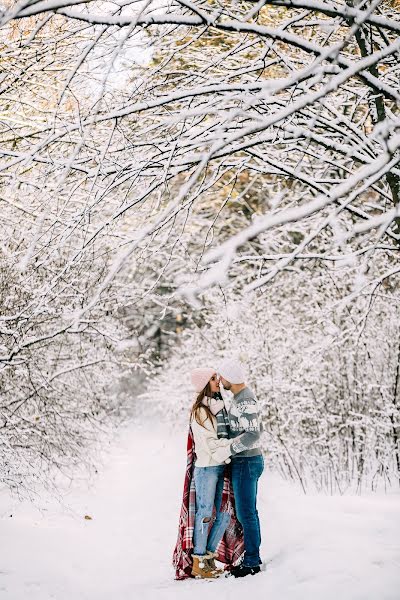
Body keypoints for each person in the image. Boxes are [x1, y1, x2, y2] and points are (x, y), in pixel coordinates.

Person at [209, 358, 264, 578]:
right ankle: (251, 557)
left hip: (247, 462)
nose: (221, 381)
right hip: (244, 462)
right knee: (246, 513)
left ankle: (252, 561)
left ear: (230, 377)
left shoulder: (245, 400)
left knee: (246, 514)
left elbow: (254, 434)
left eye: (222, 376)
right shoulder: (240, 398)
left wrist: (229, 449)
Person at [188, 367, 232, 578]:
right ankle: (199, 562)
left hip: (221, 465)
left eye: (217, 377)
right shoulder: (200, 412)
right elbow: (208, 444)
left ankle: (209, 556)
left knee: (224, 513)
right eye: (213, 378)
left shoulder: (220, 408)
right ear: (204, 383)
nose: (218, 381)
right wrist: (231, 449)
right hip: (206, 468)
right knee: (205, 513)